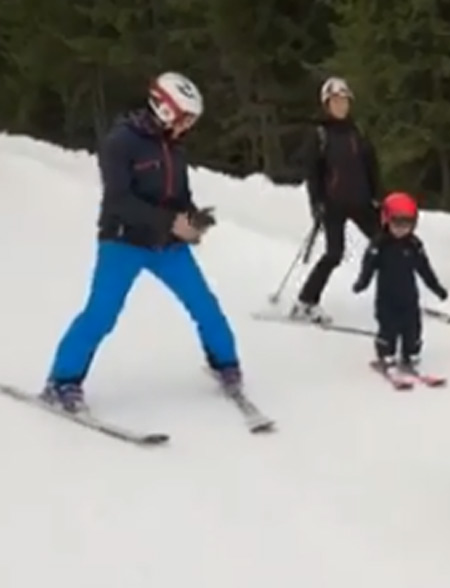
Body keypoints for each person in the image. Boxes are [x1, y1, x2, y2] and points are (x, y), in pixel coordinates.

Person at [42, 71, 244, 413]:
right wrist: (171, 222)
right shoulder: (120, 142)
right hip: (123, 242)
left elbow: (179, 195)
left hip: (167, 245)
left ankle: (225, 364)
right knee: (101, 315)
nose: (188, 127)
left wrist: (193, 219)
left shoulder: (174, 146)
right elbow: (119, 200)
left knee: (204, 305)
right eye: (186, 119)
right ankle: (62, 381)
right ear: (166, 110)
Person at [292, 76, 383, 323]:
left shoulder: (358, 132)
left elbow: (371, 166)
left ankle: (396, 296)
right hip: (333, 204)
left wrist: (378, 196)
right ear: (326, 104)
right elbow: (313, 173)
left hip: (362, 201)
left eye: (344, 101)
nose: (341, 105)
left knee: (386, 246)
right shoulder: (320, 134)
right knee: (334, 254)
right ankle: (306, 301)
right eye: (335, 101)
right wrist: (317, 204)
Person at [352, 192, 447, 370]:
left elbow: (424, 269)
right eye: (397, 224)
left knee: (412, 327)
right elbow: (369, 266)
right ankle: (386, 353)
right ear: (387, 220)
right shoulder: (379, 245)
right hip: (386, 298)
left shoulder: (414, 245)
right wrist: (362, 283)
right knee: (388, 327)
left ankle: (410, 352)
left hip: (409, 297)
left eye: (407, 224)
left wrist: (436, 288)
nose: (402, 229)